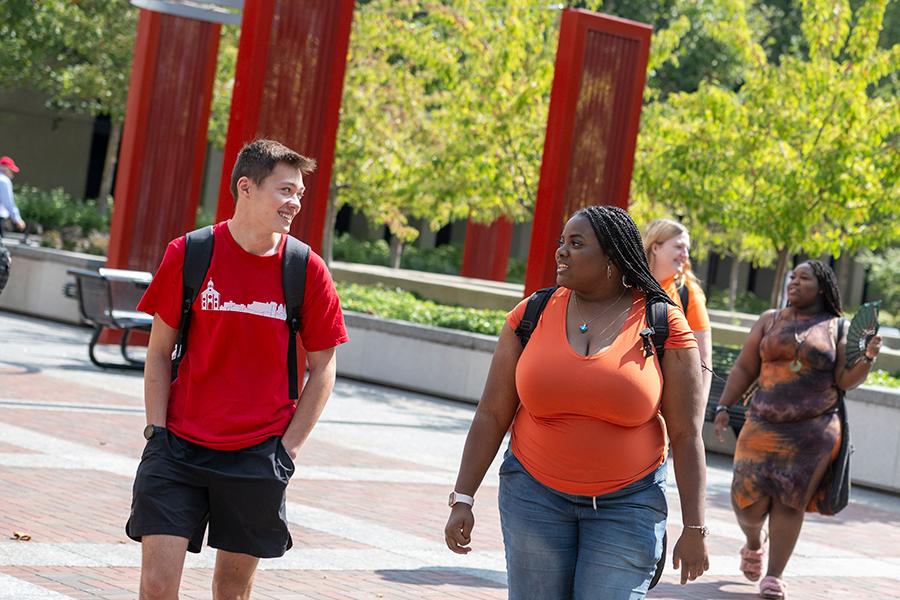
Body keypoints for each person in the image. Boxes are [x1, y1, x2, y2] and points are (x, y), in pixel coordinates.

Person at [444, 205, 709, 599]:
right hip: (533, 498)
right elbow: (492, 413)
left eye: (576, 243)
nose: (561, 252)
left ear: (612, 259)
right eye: (561, 242)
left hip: (628, 503)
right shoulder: (530, 314)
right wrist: (462, 497)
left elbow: (687, 434)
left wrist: (694, 528)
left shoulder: (662, 322)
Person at [126, 139, 349, 599]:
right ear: (245, 188)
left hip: (257, 455)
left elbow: (324, 367)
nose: (295, 203)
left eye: (300, 194)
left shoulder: (305, 269)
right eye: (285, 191)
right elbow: (158, 352)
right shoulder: (190, 252)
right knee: (156, 586)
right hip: (178, 449)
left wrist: (286, 451)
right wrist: (156, 432)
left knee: (231, 590)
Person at [713, 260, 883, 599]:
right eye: (792, 276)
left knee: (791, 501)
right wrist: (723, 405)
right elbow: (746, 365)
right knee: (745, 501)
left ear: (821, 287)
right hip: (761, 422)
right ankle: (752, 541)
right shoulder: (770, 320)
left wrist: (866, 359)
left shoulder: (837, 327)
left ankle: (774, 575)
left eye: (803, 278)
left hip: (813, 430)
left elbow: (844, 381)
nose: (794, 282)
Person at [644, 218, 712, 401]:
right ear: (656, 247)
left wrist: (700, 406)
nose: (685, 254)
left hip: (671, 399)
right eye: (679, 247)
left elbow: (703, 358)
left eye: (687, 249)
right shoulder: (629, 285)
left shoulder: (689, 294)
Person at [0, 156, 25, 236]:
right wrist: (17, 219)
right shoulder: (4, 181)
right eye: (11, 171)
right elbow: (9, 203)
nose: (12, 175)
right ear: (6, 169)